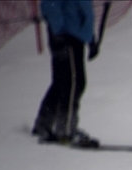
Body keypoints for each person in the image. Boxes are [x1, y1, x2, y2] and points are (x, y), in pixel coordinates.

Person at [31, 0, 100, 147]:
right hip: (66, 35)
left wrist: (90, 37)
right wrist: (58, 32)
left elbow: (84, 8)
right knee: (74, 83)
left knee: (62, 82)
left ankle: (44, 123)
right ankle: (65, 130)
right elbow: (51, 4)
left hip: (75, 34)